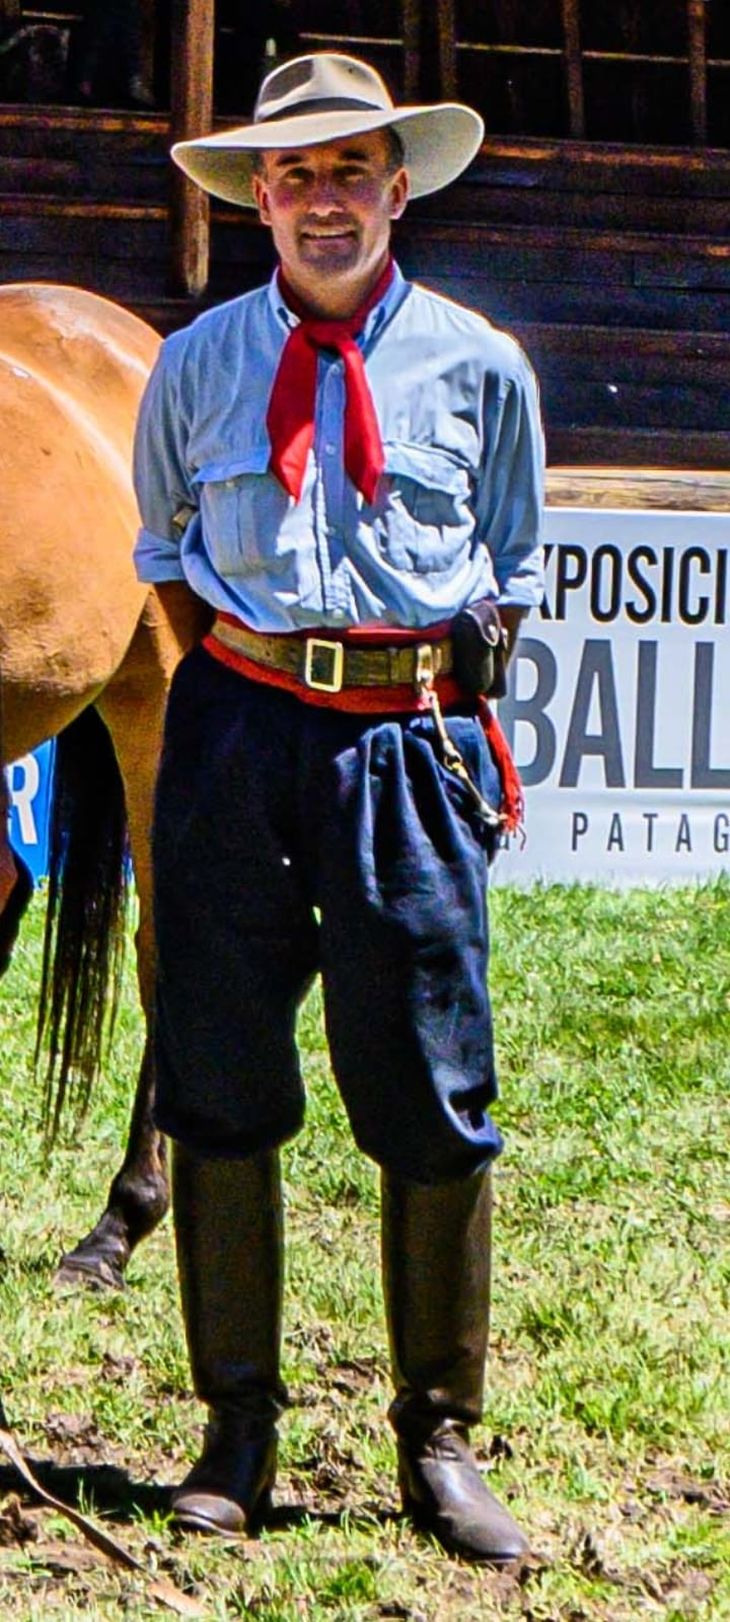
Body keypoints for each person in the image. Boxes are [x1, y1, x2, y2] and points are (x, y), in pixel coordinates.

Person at [133, 52, 544, 1563]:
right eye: (291, 173)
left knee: (432, 1080)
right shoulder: (195, 368)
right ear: (256, 199)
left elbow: (504, 561)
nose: (321, 197)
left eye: (348, 169)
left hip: (405, 742)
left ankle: (437, 1438)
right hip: (239, 731)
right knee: (219, 1070)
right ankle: (235, 1425)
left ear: (397, 187)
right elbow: (164, 554)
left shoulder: (481, 366)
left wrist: (393, 696)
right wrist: (254, 687)